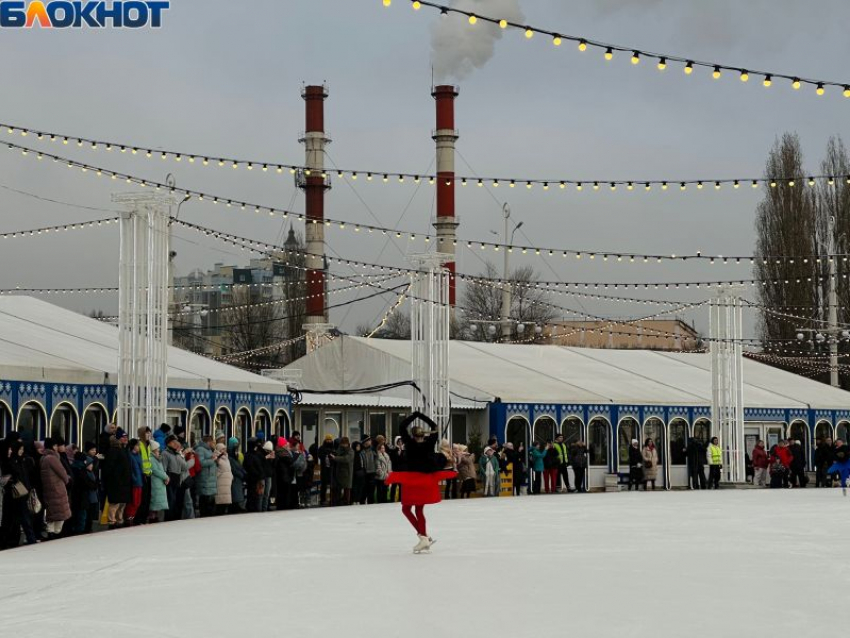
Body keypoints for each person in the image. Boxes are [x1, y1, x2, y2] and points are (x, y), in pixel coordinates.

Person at [384, 412, 457, 554]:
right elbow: (435, 427)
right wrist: (423, 417)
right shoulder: (429, 444)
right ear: (423, 434)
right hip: (425, 480)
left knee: (406, 509)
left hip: (411, 480)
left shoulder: (409, 444)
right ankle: (424, 536)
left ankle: (423, 536)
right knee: (419, 510)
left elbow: (402, 426)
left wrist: (415, 415)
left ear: (412, 435)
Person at [40, 437, 71, 539]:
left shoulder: (43, 458)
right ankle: (55, 533)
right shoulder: (52, 458)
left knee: (52, 512)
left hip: (48, 489)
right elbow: (62, 473)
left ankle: (51, 532)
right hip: (57, 489)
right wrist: (67, 480)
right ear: (53, 446)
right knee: (60, 513)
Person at [103, 429, 132, 529]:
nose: (125, 439)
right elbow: (109, 467)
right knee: (115, 503)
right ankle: (112, 521)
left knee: (122, 503)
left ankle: (120, 520)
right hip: (116, 482)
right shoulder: (113, 450)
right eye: (123, 437)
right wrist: (114, 479)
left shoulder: (124, 450)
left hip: (124, 481)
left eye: (126, 437)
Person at [195, 435, 217, 517]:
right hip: (204, 478)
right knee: (204, 499)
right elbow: (201, 463)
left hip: (210, 478)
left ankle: (209, 514)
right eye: (213, 442)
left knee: (210, 500)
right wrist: (212, 460)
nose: (214, 444)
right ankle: (204, 515)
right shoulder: (200, 449)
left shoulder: (209, 450)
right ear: (209, 442)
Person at [148, 441, 169, 522]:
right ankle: (152, 518)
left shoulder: (157, 459)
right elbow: (155, 470)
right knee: (154, 502)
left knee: (157, 503)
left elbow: (161, 470)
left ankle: (155, 517)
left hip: (160, 483)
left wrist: (166, 477)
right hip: (155, 483)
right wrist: (166, 477)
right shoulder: (152, 459)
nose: (159, 451)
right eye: (157, 449)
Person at [243, 439, 265, 513]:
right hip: (252, 479)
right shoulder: (249, 455)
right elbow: (250, 468)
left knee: (257, 495)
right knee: (253, 495)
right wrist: (258, 474)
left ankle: (255, 508)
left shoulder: (256, 454)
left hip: (257, 478)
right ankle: (252, 509)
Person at [330, 437, 354, 506]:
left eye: (345, 444)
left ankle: (346, 503)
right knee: (337, 490)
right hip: (338, 473)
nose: (343, 445)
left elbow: (346, 459)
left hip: (347, 473)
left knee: (347, 490)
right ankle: (336, 503)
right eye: (342, 444)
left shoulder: (350, 451)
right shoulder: (338, 450)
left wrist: (335, 458)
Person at [125, 438, 144, 525]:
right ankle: (129, 517)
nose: (138, 447)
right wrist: (134, 478)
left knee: (138, 501)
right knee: (134, 501)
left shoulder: (138, 455)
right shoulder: (130, 456)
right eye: (137, 445)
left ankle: (132, 516)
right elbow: (130, 470)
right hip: (135, 482)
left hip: (139, 481)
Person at [274, 437, 293, 511]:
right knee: (284, 493)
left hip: (282, 475)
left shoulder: (279, 452)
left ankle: (282, 505)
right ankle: (283, 506)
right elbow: (290, 461)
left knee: (282, 493)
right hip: (284, 475)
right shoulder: (283, 453)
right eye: (285, 444)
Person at [228, 438, 247, 513]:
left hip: (238, 478)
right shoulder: (231, 456)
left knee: (237, 493)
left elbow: (239, 465)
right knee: (235, 493)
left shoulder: (236, 455)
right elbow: (234, 468)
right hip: (235, 479)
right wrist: (242, 475)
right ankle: (235, 506)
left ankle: (237, 505)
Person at [213, 443, 233, 515]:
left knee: (225, 500)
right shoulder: (216, 457)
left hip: (227, 482)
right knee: (220, 500)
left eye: (225, 449)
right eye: (222, 449)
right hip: (221, 481)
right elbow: (216, 468)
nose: (224, 450)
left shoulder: (226, 458)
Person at [318, 434, 335, 506]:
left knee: (332, 484)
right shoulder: (322, 448)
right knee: (324, 485)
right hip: (324, 468)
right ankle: (323, 500)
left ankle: (332, 499)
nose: (329, 441)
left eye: (330, 439)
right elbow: (319, 455)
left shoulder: (333, 448)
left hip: (331, 469)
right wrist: (325, 454)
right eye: (327, 439)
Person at [359, 437, 378, 505]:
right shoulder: (361, 452)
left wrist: (376, 469)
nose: (368, 442)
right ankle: (362, 502)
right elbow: (361, 463)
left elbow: (376, 460)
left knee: (371, 489)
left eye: (369, 441)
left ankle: (371, 502)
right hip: (365, 472)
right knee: (364, 489)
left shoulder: (373, 450)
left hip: (372, 472)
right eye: (367, 441)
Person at [388, 436, 406, 503]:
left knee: (401, 486)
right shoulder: (393, 450)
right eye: (399, 442)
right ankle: (392, 499)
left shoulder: (404, 450)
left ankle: (400, 499)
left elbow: (405, 460)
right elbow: (393, 460)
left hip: (402, 471)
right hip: (395, 470)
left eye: (401, 442)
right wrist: (398, 455)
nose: (400, 443)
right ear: (396, 442)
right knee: (394, 485)